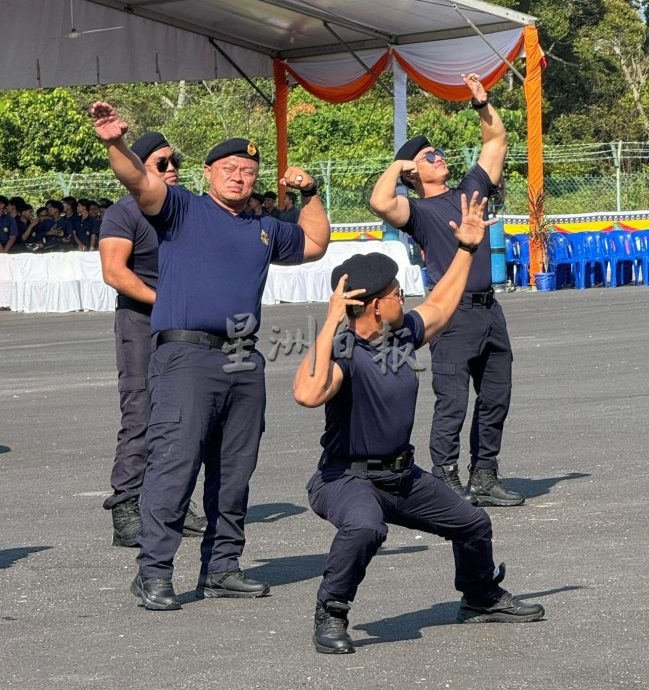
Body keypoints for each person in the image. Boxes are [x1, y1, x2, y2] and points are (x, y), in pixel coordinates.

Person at [91, 101, 330, 611]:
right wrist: (115, 143)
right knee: (175, 465)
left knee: (235, 468)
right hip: (187, 355)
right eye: (230, 170)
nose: (240, 178)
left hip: (243, 357)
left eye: (248, 171)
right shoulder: (181, 209)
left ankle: (222, 567)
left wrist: (310, 193)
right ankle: (153, 571)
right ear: (208, 174)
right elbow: (139, 181)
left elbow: (314, 243)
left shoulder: (264, 227)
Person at [293, 193, 544, 654]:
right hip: (344, 479)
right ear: (370, 306)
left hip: (400, 475)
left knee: (472, 522)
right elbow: (307, 393)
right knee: (366, 528)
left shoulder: (400, 334)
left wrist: (468, 248)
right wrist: (329, 324)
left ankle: (480, 595)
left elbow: (442, 306)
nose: (403, 299)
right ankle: (331, 612)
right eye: (394, 295)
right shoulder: (344, 351)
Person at [370, 72, 524, 508]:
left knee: (496, 396)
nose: (437, 156)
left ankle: (485, 474)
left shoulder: (469, 189)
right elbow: (381, 202)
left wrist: (482, 104)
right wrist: (398, 167)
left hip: (489, 310)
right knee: (452, 400)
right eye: (428, 156)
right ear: (413, 173)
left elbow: (495, 143)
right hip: (450, 315)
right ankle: (444, 475)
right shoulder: (416, 211)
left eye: (436, 151)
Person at [99, 131, 205, 548]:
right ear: (138, 167)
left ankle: (174, 504)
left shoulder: (188, 208)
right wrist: (165, 301)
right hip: (142, 323)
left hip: (188, 324)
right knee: (141, 415)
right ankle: (126, 506)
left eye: (174, 160)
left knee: (185, 418)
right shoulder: (123, 214)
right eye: (162, 163)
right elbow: (115, 272)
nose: (172, 168)